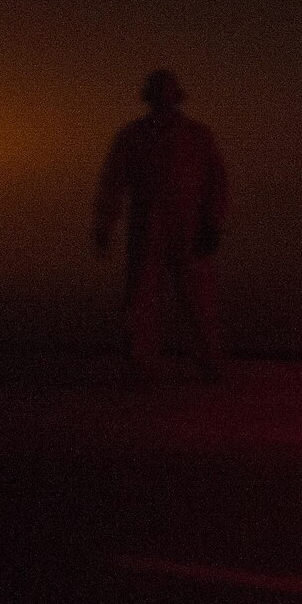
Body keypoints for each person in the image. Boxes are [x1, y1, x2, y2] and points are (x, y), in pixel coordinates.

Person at [93, 70, 228, 384]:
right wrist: (104, 223)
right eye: (159, 91)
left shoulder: (197, 135)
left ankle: (210, 363)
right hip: (148, 229)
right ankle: (143, 366)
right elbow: (113, 183)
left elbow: (215, 182)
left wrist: (212, 224)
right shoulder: (133, 136)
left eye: (167, 91)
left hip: (188, 229)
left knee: (198, 300)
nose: (163, 98)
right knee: (141, 301)